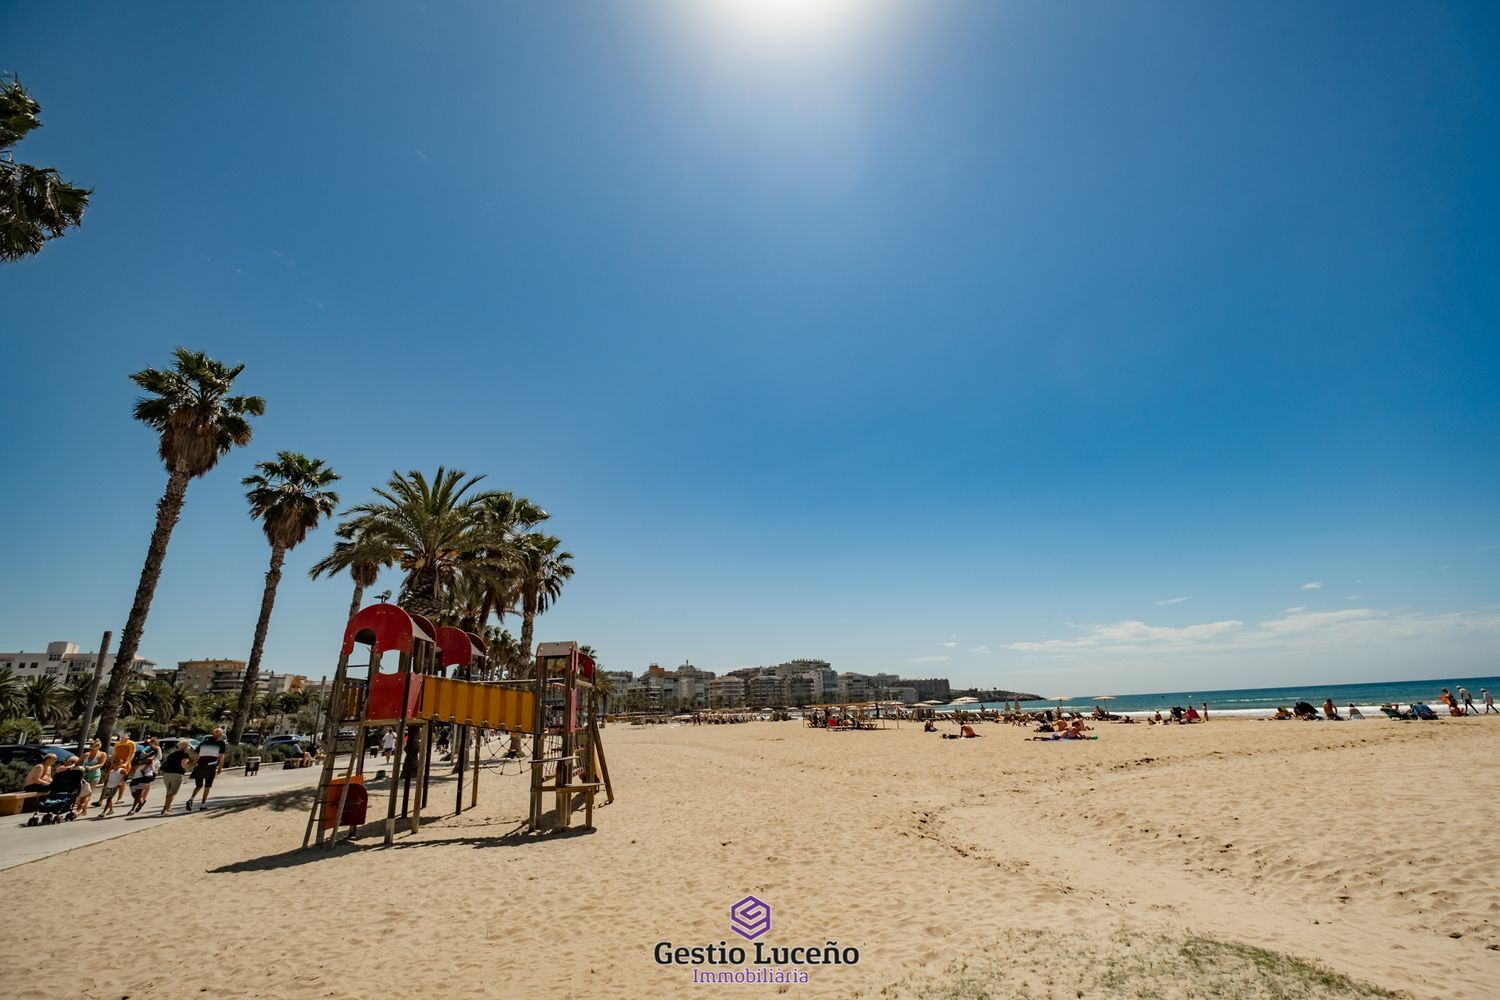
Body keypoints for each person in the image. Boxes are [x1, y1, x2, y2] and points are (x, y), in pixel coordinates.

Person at [184, 726, 227, 811]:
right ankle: (202, 805)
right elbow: (221, 757)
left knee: (198, 785)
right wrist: (220, 767)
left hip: (200, 766)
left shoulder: (204, 742)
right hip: (211, 766)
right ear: (220, 735)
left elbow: (196, 754)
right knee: (207, 786)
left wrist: (194, 763)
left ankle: (191, 799)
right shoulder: (221, 743)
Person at [159, 740, 192, 815]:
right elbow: (183, 765)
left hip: (167, 774)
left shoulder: (172, 754)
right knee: (172, 793)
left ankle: (168, 807)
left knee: (168, 792)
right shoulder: (185, 755)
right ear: (186, 747)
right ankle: (164, 808)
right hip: (177, 774)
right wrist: (189, 765)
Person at [77, 739, 106, 817]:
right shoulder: (86, 754)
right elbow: (77, 762)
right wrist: (70, 766)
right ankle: (84, 811)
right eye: (91, 745)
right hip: (84, 775)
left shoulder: (102, 754)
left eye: (94, 745)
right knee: (82, 793)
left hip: (94, 775)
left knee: (87, 793)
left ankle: (78, 810)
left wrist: (91, 767)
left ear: (98, 747)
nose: (92, 747)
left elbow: (101, 764)